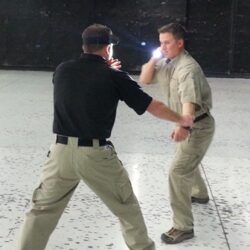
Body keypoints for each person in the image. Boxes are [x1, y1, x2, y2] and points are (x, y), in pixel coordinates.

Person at [16, 23, 193, 250]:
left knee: (40, 212)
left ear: (84, 46)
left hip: (59, 154)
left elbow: (82, 84)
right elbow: (153, 106)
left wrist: (106, 70)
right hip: (95, 156)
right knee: (126, 207)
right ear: (108, 48)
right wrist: (181, 119)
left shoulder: (62, 70)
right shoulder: (114, 76)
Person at [139, 22, 215, 244]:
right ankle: (199, 193)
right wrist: (154, 58)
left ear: (179, 43)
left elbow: (189, 103)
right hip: (188, 123)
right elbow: (144, 79)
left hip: (197, 126)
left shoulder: (187, 69)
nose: (162, 47)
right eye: (160, 43)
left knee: (178, 171)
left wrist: (183, 126)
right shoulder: (167, 62)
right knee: (186, 159)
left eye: (167, 43)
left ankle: (183, 227)